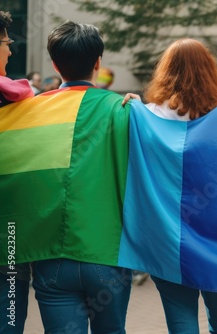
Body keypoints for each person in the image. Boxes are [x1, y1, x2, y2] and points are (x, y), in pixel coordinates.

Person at [29, 21, 132, 333]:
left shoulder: (28, 113)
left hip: (50, 255)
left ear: (54, 64)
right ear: (98, 62)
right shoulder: (124, 109)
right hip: (107, 254)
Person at [143, 38, 217, 334]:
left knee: (181, 324)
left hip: (169, 236)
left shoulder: (146, 115)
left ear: (165, 71)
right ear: (210, 71)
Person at [0, 11, 34, 334]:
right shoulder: (20, 103)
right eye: (6, 43)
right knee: (9, 321)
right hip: (10, 240)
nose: (10, 51)